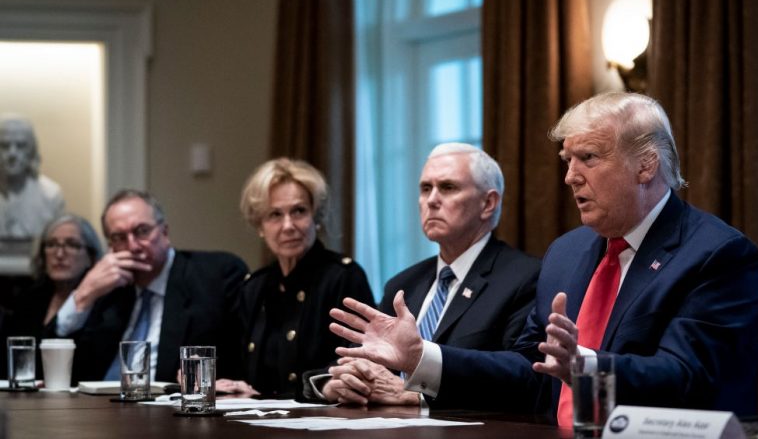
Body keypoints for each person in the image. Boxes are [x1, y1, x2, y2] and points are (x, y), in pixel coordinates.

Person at [328, 92, 758, 422]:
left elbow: (690, 379)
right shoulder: (567, 253)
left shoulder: (715, 254)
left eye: (588, 158)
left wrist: (585, 367)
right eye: (567, 160)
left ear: (646, 165)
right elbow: (528, 372)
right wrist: (422, 356)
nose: (570, 176)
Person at [307, 142, 541, 406]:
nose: (431, 200)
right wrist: (335, 384)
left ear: (488, 203)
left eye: (448, 187)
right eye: (425, 188)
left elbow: (525, 377)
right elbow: (361, 363)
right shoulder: (404, 283)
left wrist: (420, 394)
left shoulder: (524, 277)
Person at [215, 158, 374, 399]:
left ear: (316, 217)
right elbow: (235, 365)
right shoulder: (253, 287)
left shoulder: (343, 277)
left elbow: (360, 358)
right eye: (275, 215)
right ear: (260, 226)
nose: (288, 226)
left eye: (299, 211)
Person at [55, 189, 249, 382]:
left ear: (165, 232)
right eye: (120, 237)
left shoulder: (214, 276)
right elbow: (51, 364)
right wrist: (83, 294)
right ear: (111, 247)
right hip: (96, 407)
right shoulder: (108, 289)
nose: (133, 246)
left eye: (142, 231)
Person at [1, 214, 102, 378]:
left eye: (72, 244)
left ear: (90, 257)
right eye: (51, 244)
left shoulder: (102, 302)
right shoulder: (29, 298)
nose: (59, 254)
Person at [0, 114, 65, 240]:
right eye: (5, 146)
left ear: (31, 150)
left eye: (20, 146)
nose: (12, 154)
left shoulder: (50, 195)